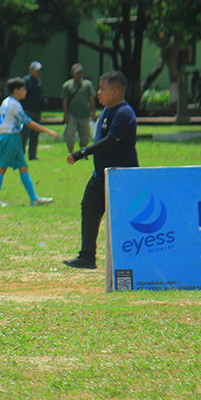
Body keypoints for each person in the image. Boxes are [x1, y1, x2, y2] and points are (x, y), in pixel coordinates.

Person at [62, 71, 139, 270]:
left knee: (125, 218)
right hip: (101, 176)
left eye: (103, 89)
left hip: (121, 178)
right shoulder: (106, 110)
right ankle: (87, 256)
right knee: (89, 208)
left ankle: (131, 258)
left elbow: (112, 140)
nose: (98, 92)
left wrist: (82, 152)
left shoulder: (124, 113)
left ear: (115, 91)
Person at [0, 78, 58, 207]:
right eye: (23, 89)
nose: (25, 92)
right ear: (16, 90)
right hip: (10, 137)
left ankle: (34, 199)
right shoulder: (14, 105)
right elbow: (28, 122)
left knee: (23, 167)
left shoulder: (6, 102)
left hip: (11, 137)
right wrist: (48, 131)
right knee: (2, 167)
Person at [61, 64, 97, 154]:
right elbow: (65, 101)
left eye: (80, 73)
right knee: (70, 135)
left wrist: (93, 112)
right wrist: (66, 114)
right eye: (77, 73)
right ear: (72, 73)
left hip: (85, 114)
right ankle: (71, 153)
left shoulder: (87, 84)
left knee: (85, 136)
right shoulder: (67, 85)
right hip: (72, 114)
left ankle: (83, 153)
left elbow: (91, 99)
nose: (79, 75)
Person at [20, 61, 44, 160]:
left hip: (37, 111)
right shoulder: (25, 81)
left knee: (35, 134)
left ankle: (32, 155)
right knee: (24, 135)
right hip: (27, 111)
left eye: (40, 71)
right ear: (31, 70)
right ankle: (21, 155)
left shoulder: (39, 81)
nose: (39, 73)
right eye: (37, 71)